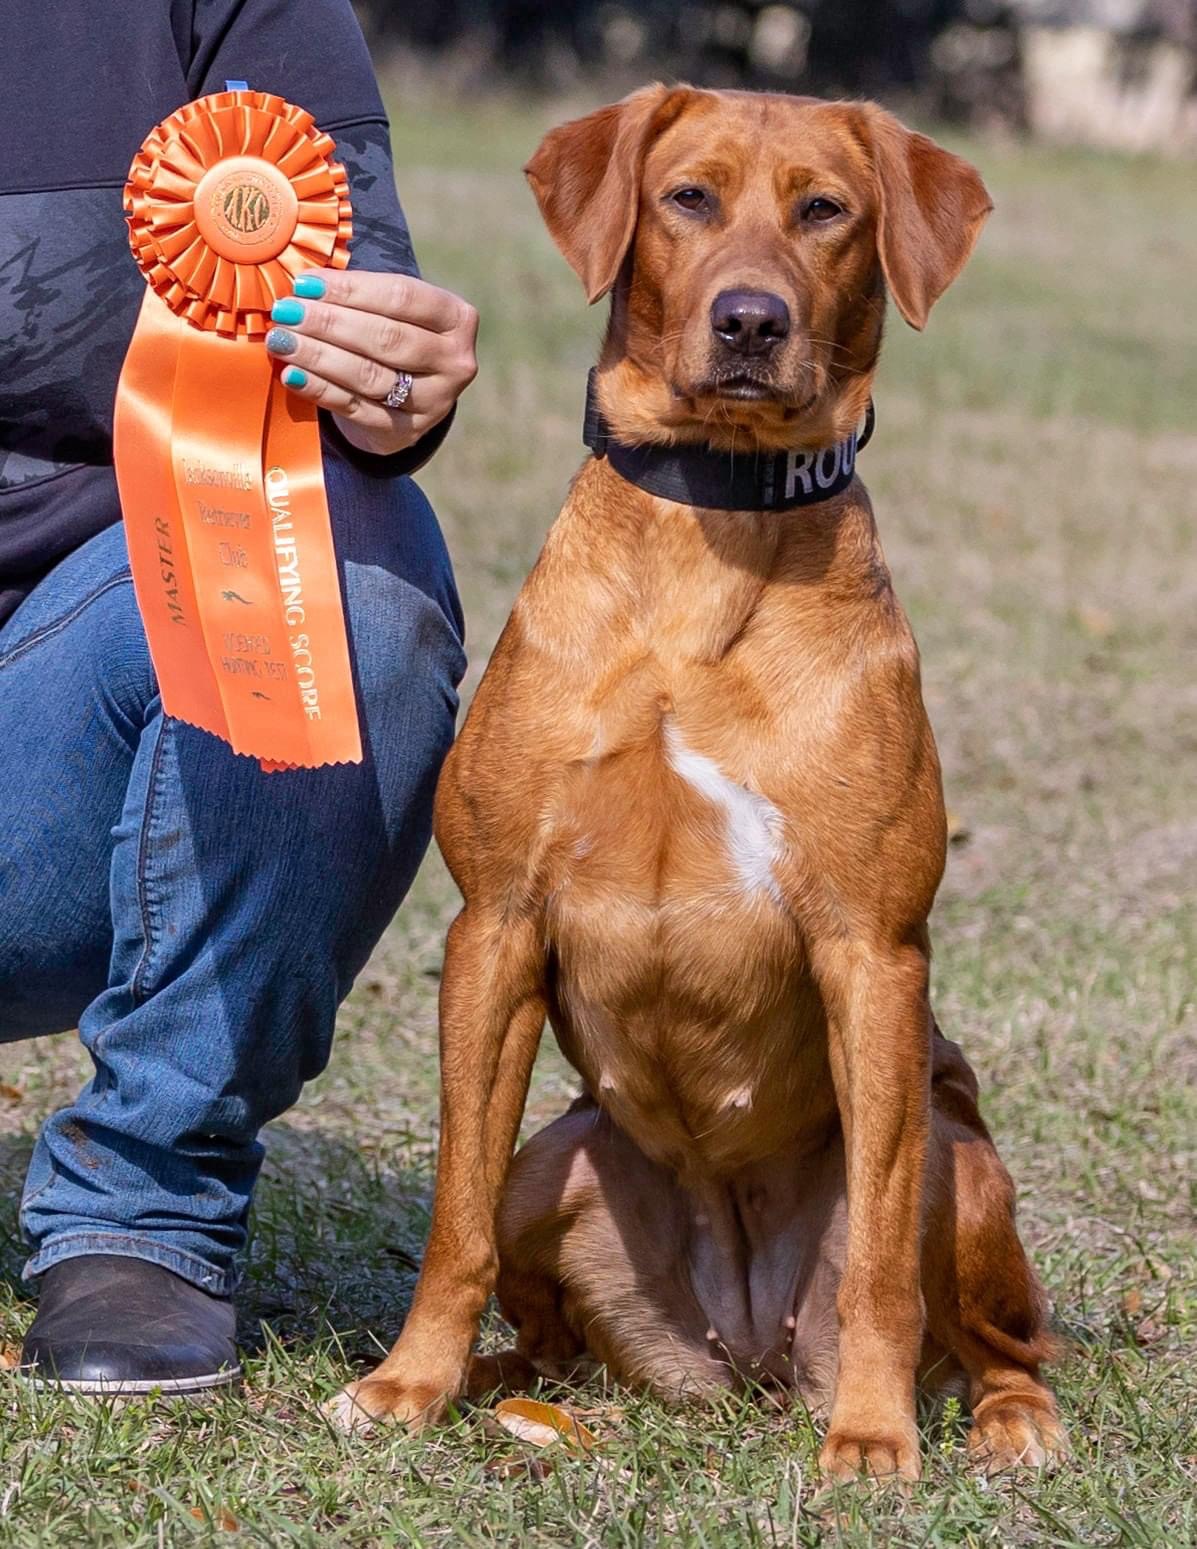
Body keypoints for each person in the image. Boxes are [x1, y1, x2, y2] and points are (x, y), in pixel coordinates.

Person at [0, 0, 478, 1394]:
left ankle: (144, 1202)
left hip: (59, 730)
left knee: (350, 571)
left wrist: (390, 381)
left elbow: (350, 317)